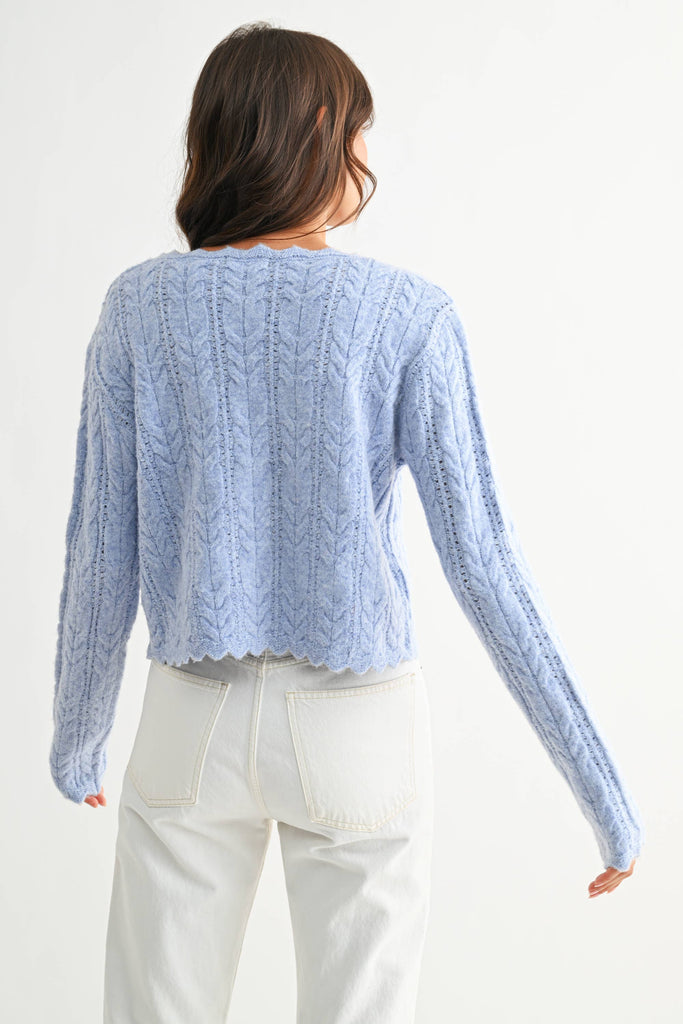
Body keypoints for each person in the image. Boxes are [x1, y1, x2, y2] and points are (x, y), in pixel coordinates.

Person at [49, 20, 643, 1024]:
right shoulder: (405, 313)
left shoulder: (139, 309)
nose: (369, 153)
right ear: (323, 125)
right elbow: (483, 562)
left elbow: (101, 544)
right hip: (356, 724)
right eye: (362, 127)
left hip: (190, 717)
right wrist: (601, 792)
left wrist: (79, 735)